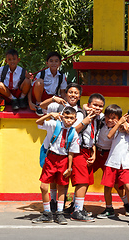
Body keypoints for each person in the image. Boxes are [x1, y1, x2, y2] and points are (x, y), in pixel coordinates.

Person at [32, 106, 79, 225]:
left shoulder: (74, 133)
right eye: (66, 117)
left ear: (75, 119)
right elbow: (38, 122)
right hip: (51, 158)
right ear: (62, 116)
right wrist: (50, 114)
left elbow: (71, 153)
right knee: (43, 186)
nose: (68, 120)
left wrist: (69, 168)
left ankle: (59, 213)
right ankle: (47, 213)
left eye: (71, 118)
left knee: (62, 187)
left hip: (63, 160)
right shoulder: (54, 125)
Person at [41, 83, 84, 212]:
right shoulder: (57, 105)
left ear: (79, 96)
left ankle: (59, 206)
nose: (73, 95)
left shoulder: (79, 112)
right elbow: (41, 107)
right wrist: (53, 99)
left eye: (76, 93)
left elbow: (73, 130)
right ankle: (52, 203)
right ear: (65, 93)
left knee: (60, 180)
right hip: (49, 148)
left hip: (64, 151)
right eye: (70, 92)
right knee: (49, 178)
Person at [99, 107, 129, 226]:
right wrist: (120, 123)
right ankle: (109, 209)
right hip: (112, 161)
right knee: (107, 187)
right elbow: (109, 136)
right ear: (126, 116)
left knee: (128, 186)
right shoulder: (118, 130)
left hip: (126, 164)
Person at [69, 93, 105, 222]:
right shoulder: (80, 115)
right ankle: (77, 212)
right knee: (82, 180)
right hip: (78, 150)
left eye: (100, 106)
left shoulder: (98, 118)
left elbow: (92, 137)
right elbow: (71, 131)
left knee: (86, 181)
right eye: (94, 105)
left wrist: (93, 152)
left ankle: (76, 206)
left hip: (88, 151)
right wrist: (84, 122)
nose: (97, 108)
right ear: (89, 105)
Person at [95, 105, 129, 218]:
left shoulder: (121, 128)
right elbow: (87, 106)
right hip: (96, 153)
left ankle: (126, 204)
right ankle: (77, 204)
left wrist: (120, 123)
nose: (110, 120)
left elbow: (110, 135)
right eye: (108, 117)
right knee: (85, 178)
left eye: (114, 118)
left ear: (119, 118)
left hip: (109, 156)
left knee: (114, 184)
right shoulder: (101, 121)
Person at [29, 51, 68, 116]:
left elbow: (62, 92)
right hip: (40, 96)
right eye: (51, 61)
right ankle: (39, 105)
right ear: (47, 63)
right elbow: (30, 88)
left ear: (60, 63)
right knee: (39, 82)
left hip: (52, 97)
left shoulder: (62, 76)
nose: (54, 63)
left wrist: (66, 102)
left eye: (56, 61)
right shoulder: (42, 74)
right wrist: (30, 102)